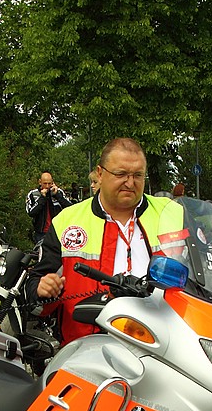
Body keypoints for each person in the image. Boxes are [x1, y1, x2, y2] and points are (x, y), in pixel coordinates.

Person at [30, 138, 186, 344]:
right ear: (100, 174)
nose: (130, 183)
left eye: (138, 175)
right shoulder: (67, 221)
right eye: (121, 174)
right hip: (88, 348)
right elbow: (37, 286)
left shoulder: (175, 214)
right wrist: (42, 289)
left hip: (166, 345)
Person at [25, 171, 72, 243]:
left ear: (52, 182)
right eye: (45, 183)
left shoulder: (59, 192)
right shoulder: (33, 194)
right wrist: (42, 198)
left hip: (57, 231)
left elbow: (70, 208)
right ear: (40, 182)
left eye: (49, 183)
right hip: (40, 232)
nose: (47, 186)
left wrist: (57, 195)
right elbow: (31, 212)